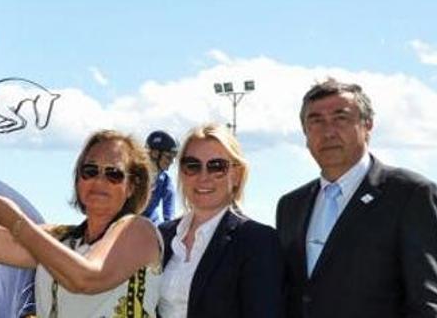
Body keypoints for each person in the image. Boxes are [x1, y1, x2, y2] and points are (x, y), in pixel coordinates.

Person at [0, 129, 163, 317]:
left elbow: (86, 278)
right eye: (90, 171)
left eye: (113, 174)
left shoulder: (138, 229)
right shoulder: (60, 239)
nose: (99, 180)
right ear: (78, 179)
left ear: (131, 186)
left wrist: (17, 223)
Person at [276, 79, 437, 318]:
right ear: (305, 133)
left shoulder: (410, 194)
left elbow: (426, 301)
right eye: (316, 121)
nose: (328, 131)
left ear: (367, 125)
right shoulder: (291, 205)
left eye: (340, 118)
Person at [157, 123, 284, 318]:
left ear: (236, 175)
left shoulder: (258, 241)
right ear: (182, 173)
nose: (203, 177)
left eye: (217, 167)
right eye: (192, 166)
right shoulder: (162, 236)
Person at [141, 130, 177, 224]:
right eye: (168, 157)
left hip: (149, 225)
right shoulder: (132, 175)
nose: (171, 162)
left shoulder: (166, 182)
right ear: (155, 154)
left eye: (173, 158)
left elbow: (169, 217)